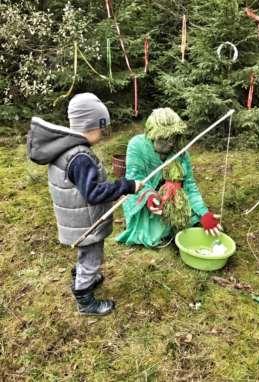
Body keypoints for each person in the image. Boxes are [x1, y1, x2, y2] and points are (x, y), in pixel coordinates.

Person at [27, 93, 142, 316]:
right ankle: (85, 299)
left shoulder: (66, 149)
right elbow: (94, 193)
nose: (104, 132)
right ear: (93, 125)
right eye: (103, 127)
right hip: (85, 223)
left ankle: (82, 273)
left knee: (88, 254)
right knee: (92, 257)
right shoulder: (80, 157)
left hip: (77, 219)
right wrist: (126, 186)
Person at [117, 108, 222, 248]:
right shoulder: (137, 145)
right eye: (165, 138)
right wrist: (149, 196)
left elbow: (189, 185)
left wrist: (204, 213)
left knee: (193, 220)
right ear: (152, 135)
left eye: (174, 137)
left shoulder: (180, 152)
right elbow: (134, 178)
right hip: (143, 197)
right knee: (152, 232)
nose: (171, 143)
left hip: (173, 197)